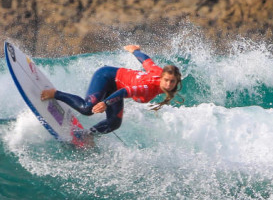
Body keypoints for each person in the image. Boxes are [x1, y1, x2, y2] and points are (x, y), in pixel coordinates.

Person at [40, 44, 182, 135]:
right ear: (162, 78)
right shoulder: (148, 87)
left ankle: (88, 135)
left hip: (116, 86)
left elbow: (147, 61)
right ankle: (55, 93)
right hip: (106, 76)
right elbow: (125, 92)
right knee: (87, 109)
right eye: (166, 80)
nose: (169, 84)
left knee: (114, 123)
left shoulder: (158, 71)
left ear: (176, 82)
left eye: (172, 82)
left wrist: (135, 51)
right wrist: (105, 103)